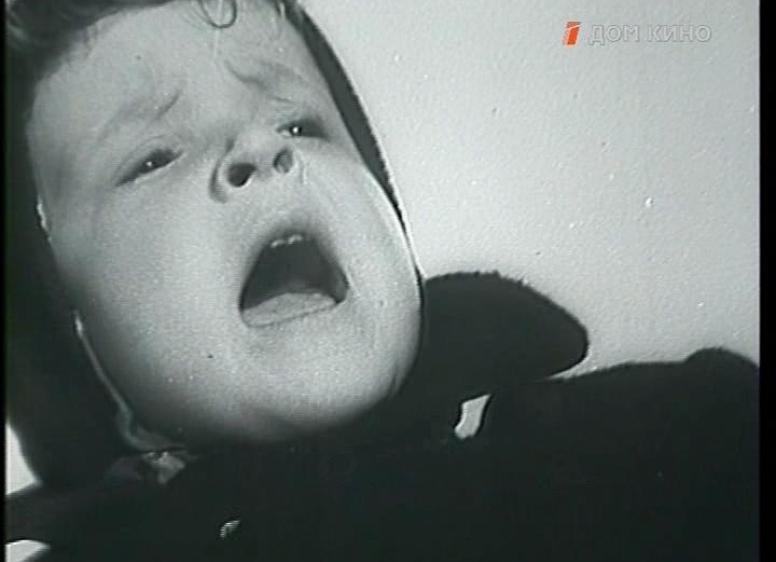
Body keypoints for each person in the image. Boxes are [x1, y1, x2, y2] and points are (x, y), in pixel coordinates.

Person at [5, 1, 758, 560]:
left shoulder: (663, 450)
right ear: (72, 339)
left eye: (300, 125)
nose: (261, 150)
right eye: (154, 157)